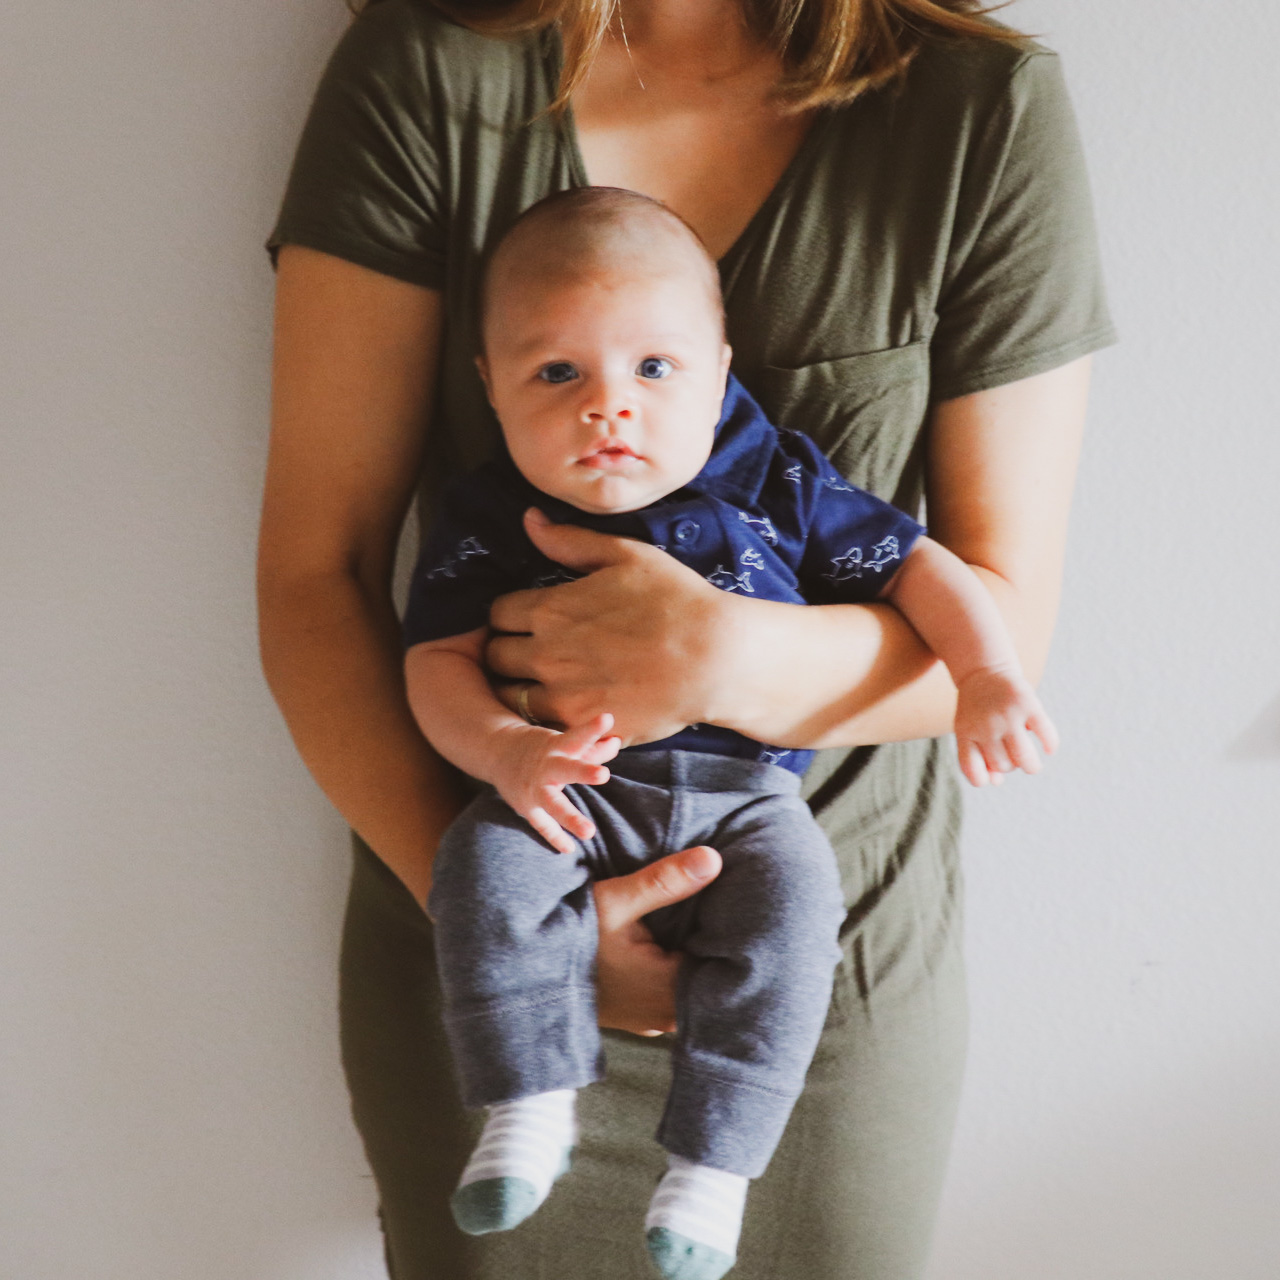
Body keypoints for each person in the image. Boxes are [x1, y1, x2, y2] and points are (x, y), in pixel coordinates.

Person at [257, 2, 1115, 1277]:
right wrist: (526, 934)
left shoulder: (975, 110)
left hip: (818, 958)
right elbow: (316, 577)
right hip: (485, 907)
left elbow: (999, 624)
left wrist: (716, 656)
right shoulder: (429, 66)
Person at [401, 185, 1058, 1280]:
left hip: (749, 807)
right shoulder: (489, 514)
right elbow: (434, 663)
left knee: (794, 921)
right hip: (568, 791)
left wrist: (986, 674)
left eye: (653, 368)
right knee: (480, 866)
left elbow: (919, 567)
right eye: (556, 373)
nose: (608, 407)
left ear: (718, 370)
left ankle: (714, 1171)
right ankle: (529, 1100)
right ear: (489, 384)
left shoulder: (777, 478)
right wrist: (505, 753)